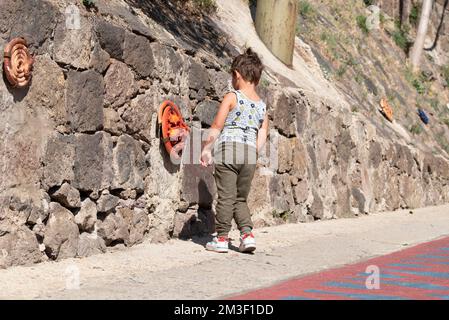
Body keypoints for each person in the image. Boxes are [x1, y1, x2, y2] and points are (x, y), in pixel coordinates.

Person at [200, 48, 269, 253]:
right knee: (240, 198)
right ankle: (247, 235)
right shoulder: (262, 106)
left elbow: (217, 124)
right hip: (249, 154)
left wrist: (206, 149)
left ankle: (221, 238)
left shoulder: (232, 96)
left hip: (229, 150)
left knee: (226, 197)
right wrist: (253, 152)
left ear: (237, 75)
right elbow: (263, 133)